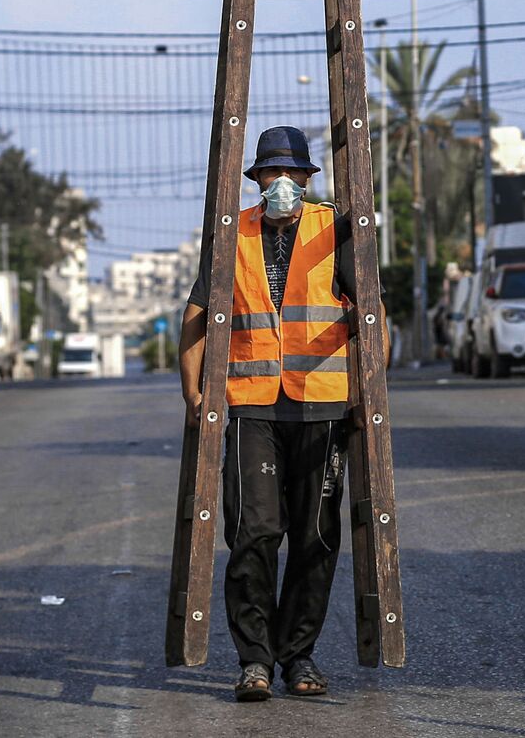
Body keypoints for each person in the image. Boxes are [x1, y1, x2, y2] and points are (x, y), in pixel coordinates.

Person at [178, 125, 377, 702]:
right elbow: (197, 315)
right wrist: (193, 394)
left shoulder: (336, 229)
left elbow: (371, 313)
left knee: (316, 536)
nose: (282, 183)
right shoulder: (229, 234)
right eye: (271, 173)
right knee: (254, 533)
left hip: (321, 405)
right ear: (258, 180)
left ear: (308, 180)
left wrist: (371, 394)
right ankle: (255, 661)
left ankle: (300, 656)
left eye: (292, 174)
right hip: (250, 407)